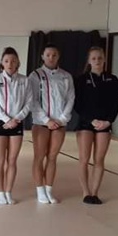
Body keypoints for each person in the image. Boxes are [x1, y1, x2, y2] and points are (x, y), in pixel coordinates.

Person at [28, 44, 75, 204]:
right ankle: (39, 190)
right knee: (39, 157)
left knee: (53, 157)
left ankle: (49, 189)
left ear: (58, 56)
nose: (51, 57)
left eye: (54, 55)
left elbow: (70, 98)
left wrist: (62, 119)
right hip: (42, 123)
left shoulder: (66, 76)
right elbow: (32, 99)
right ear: (42, 56)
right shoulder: (35, 75)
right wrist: (46, 120)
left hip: (59, 123)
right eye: (48, 55)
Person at [74, 47, 118, 205]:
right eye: (93, 58)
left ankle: (95, 192)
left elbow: (116, 104)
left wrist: (108, 121)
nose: (97, 61)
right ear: (89, 61)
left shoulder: (113, 79)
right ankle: (85, 192)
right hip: (86, 123)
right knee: (84, 159)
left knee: (99, 159)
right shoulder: (81, 80)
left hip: (105, 124)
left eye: (100, 58)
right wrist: (91, 119)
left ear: (104, 59)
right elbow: (77, 104)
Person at [0, 47, 31, 205]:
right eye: (6, 61)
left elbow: (28, 102)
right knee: (1, 160)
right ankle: (0, 191)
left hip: (17, 122)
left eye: (13, 61)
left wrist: (17, 119)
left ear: (18, 62)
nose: (10, 64)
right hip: (0, 122)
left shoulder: (24, 80)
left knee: (12, 160)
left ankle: (8, 191)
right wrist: (6, 119)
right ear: (2, 63)